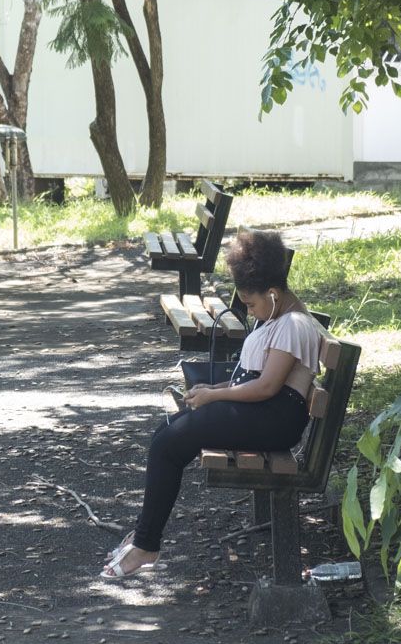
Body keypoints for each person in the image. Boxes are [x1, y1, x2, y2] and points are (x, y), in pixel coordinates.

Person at [103, 229, 323, 579]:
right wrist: (212, 387)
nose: (250, 311)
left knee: (169, 443)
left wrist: (214, 396)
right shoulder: (280, 316)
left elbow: (267, 387)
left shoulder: (294, 325)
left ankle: (146, 546)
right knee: (167, 434)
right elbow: (255, 379)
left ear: (273, 293)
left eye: (250, 304)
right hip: (265, 413)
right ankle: (144, 538)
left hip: (275, 420)